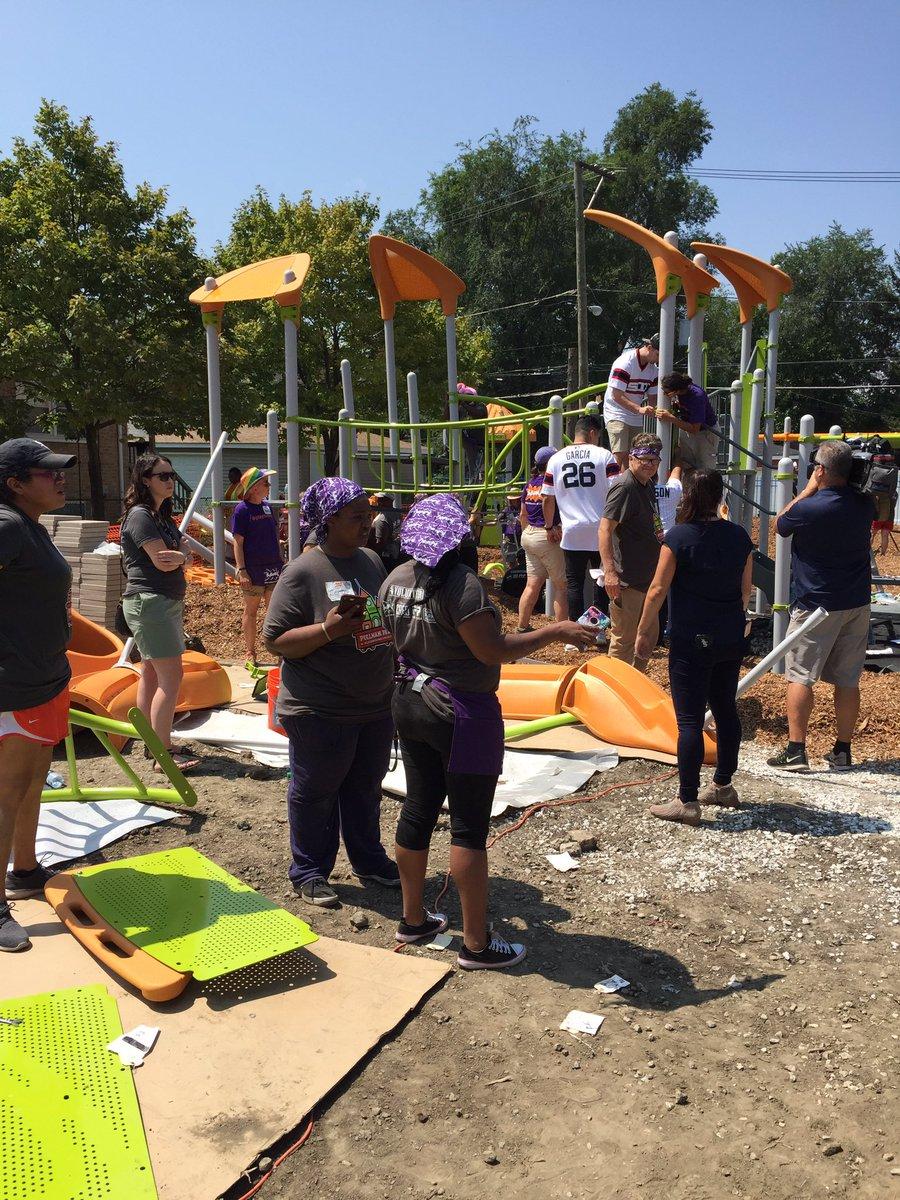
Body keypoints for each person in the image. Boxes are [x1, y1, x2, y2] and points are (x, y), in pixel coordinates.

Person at [378, 494, 596, 970]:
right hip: (460, 711)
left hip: (409, 703)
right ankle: (476, 944)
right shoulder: (462, 588)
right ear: (459, 536)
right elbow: (492, 651)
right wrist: (556, 631)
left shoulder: (394, 580)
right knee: (469, 826)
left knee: (418, 806)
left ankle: (412, 919)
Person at [263, 477, 399, 907]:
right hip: (319, 708)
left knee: (365, 787)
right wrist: (328, 629)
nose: (367, 522)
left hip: (373, 704)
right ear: (330, 518)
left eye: (367, 514)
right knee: (315, 792)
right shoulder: (303, 571)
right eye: (357, 516)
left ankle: (369, 860)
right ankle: (309, 870)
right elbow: (276, 640)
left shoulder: (372, 561)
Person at [634, 470, 753, 825]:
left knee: (688, 720)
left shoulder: (678, 537)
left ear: (688, 496)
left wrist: (644, 631)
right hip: (730, 634)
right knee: (725, 708)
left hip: (692, 638)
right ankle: (723, 785)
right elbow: (745, 590)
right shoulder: (739, 536)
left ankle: (686, 800)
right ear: (719, 497)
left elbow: (657, 589)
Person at [0, 439, 76, 952]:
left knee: (30, 783)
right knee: (6, 792)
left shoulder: (29, 526)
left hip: (45, 677)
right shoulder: (6, 525)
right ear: (16, 483)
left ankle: (24, 868)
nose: (59, 478)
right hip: (15, 683)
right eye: (47, 473)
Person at [768, 441, 873, 771]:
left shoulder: (810, 508)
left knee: (800, 676)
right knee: (847, 680)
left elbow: (779, 525)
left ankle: (796, 750)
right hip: (856, 602)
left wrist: (809, 489)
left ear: (822, 470)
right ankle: (842, 751)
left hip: (816, 606)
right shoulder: (864, 505)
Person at [121, 454, 199, 772]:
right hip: (150, 604)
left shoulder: (161, 516)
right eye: (162, 476)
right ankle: (162, 754)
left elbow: (182, 551)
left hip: (159, 603)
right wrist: (181, 556)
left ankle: (153, 744)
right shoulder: (141, 516)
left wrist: (179, 554)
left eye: (171, 475)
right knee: (171, 678)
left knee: (151, 675)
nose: (169, 480)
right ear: (145, 480)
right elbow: (164, 560)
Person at [541, 414, 619, 623]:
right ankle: (598, 630)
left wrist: (549, 526)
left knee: (574, 583)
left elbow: (547, 499)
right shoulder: (604, 455)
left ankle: (575, 634)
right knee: (600, 581)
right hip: (601, 528)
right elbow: (617, 491)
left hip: (572, 530)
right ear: (593, 432)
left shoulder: (556, 459)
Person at [599, 432, 663, 672]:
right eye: (643, 458)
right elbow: (605, 529)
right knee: (623, 642)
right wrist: (610, 572)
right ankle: (614, 692)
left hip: (647, 579)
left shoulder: (647, 485)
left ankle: (637, 685)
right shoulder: (624, 486)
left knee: (647, 638)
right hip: (627, 580)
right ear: (632, 458)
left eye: (653, 460)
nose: (648, 464)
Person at [231, 467, 284, 666]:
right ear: (253, 488)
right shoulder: (242, 510)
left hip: (273, 566)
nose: (268, 486)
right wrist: (242, 569)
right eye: (265, 483)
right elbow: (238, 541)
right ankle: (250, 651)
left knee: (275, 611)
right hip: (253, 569)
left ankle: (279, 652)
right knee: (251, 611)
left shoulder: (267, 507)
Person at [517, 445, 566, 631]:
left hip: (528, 534)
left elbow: (523, 514)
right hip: (547, 536)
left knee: (532, 584)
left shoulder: (529, 484)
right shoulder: (553, 483)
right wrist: (550, 527)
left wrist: (526, 534)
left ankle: (522, 626)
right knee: (562, 586)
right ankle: (563, 632)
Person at [603, 335, 660, 471]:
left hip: (635, 416)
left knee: (635, 455)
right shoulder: (625, 363)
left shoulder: (654, 370)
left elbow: (653, 398)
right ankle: (612, 486)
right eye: (658, 354)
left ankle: (629, 487)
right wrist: (639, 409)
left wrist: (657, 409)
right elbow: (616, 395)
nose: (659, 359)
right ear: (649, 347)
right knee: (619, 453)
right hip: (617, 412)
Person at [656, 372, 720, 472]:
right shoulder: (680, 392)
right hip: (687, 427)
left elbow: (695, 429)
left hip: (706, 432)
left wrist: (671, 418)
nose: (664, 395)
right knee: (686, 463)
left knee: (705, 468)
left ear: (676, 390)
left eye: (667, 392)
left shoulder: (697, 396)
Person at [368, 493, 402, 572]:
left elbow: (380, 542)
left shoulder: (382, 519)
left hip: (385, 556)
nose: (378, 501)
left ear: (388, 501)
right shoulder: (397, 513)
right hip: (396, 552)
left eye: (381, 499)